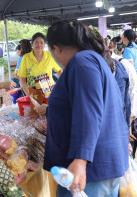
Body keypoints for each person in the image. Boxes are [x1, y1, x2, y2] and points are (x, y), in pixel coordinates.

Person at [40, 20, 129, 197]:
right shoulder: (93, 59)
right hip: (102, 165)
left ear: (56, 49)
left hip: (91, 170)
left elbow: (89, 114)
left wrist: (80, 160)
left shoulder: (82, 62)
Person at [18, 33, 62, 101]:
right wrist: (30, 96)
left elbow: (59, 71)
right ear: (32, 44)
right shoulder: (26, 58)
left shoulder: (50, 56)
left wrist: (60, 88)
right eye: (36, 42)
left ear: (44, 45)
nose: (39, 45)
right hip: (34, 95)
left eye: (41, 42)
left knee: (49, 111)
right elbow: (22, 79)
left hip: (50, 94)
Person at [122, 29, 137, 95]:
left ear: (126, 38)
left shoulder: (127, 50)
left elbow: (130, 66)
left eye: (123, 36)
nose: (122, 38)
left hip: (134, 77)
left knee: (135, 102)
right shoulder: (136, 47)